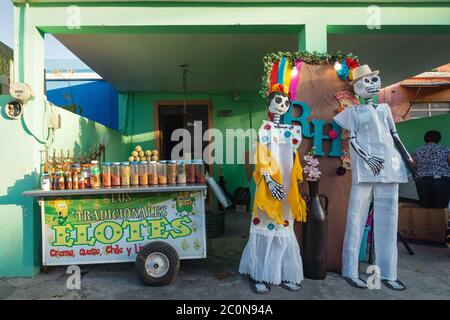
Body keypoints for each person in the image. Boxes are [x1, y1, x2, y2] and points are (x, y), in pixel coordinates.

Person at [239, 84, 307, 294]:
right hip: (270, 186)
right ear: (269, 104)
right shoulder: (264, 129)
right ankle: (259, 274)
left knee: (285, 228)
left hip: (286, 186)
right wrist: (268, 180)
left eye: (286, 102)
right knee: (264, 226)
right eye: (278, 101)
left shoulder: (292, 131)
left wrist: (294, 182)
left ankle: (284, 273)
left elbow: (294, 158)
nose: (283, 104)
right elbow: (261, 155)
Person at [412, 130, 450, 208]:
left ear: (425, 139)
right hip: (442, 180)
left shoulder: (418, 151)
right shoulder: (445, 149)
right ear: (438, 139)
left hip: (422, 181)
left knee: (426, 207)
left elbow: (413, 165)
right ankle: (440, 220)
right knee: (441, 208)